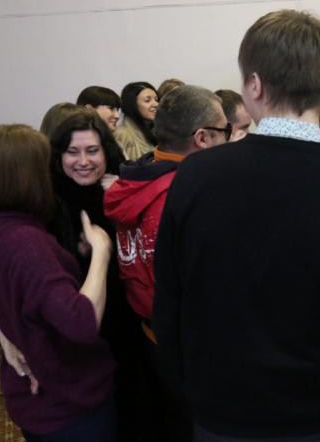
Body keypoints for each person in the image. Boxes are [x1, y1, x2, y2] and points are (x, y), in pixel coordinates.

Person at [153, 9, 320, 441]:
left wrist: (193, 388)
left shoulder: (195, 176)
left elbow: (170, 303)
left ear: (254, 85)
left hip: (220, 411)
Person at [0, 124, 116, 441]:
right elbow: (81, 322)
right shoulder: (26, 243)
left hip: (33, 397)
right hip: (69, 404)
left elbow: (5, 295)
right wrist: (101, 251)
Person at [104, 84, 228, 441]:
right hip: (188, 344)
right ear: (202, 137)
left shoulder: (138, 176)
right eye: (226, 130)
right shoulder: (185, 196)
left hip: (151, 332)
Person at [47, 111, 143, 442]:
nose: (83, 161)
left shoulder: (124, 188)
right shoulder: (48, 203)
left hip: (130, 325)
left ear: (106, 151)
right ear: (59, 156)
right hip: (79, 338)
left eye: (92, 150)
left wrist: (124, 198)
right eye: (72, 152)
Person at [114, 82, 159, 160]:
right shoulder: (122, 134)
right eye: (147, 100)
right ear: (133, 105)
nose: (156, 104)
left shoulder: (159, 131)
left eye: (156, 100)